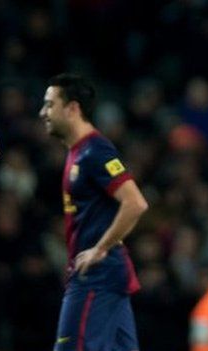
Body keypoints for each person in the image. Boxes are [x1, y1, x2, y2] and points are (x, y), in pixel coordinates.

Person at [39, 73, 148, 351]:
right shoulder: (78, 153)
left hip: (96, 275)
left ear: (72, 109)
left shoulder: (94, 151)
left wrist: (101, 248)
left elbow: (135, 202)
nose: (43, 113)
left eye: (50, 105)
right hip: (109, 275)